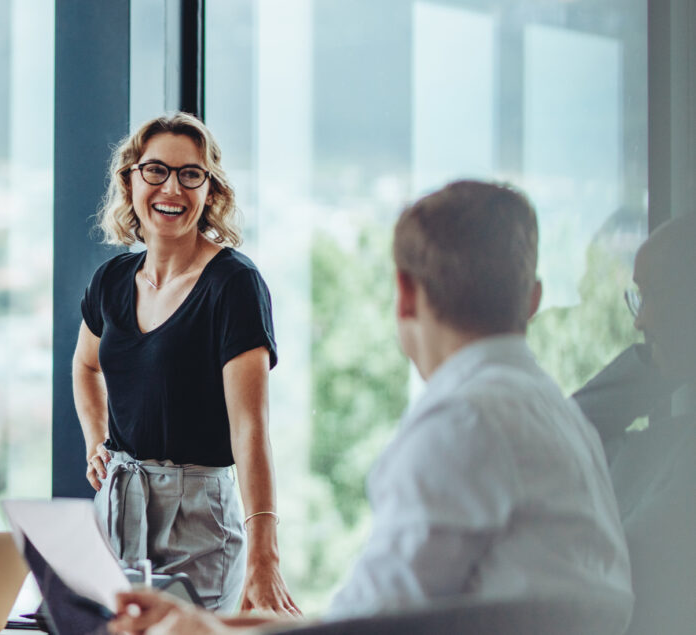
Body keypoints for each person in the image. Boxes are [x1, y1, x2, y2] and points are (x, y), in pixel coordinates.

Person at [107, 181, 633, 635]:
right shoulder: (558, 416)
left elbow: (367, 632)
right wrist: (211, 623)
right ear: (533, 299)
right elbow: (373, 617)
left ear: (404, 294)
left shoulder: (462, 424)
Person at [72, 112, 296, 613]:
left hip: (198, 518)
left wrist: (266, 555)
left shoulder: (234, 285)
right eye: (155, 170)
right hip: (116, 505)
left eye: (190, 174)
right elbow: (86, 367)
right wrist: (95, 442)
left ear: (210, 190)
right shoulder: (110, 280)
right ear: (130, 180)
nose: (171, 187)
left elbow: (250, 428)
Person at [572, 212, 696, 635]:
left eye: (654, 296)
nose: (639, 321)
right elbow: (566, 438)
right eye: (637, 299)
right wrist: (659, 364)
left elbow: (623, 568)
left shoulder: (679, 459)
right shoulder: (669, 442)